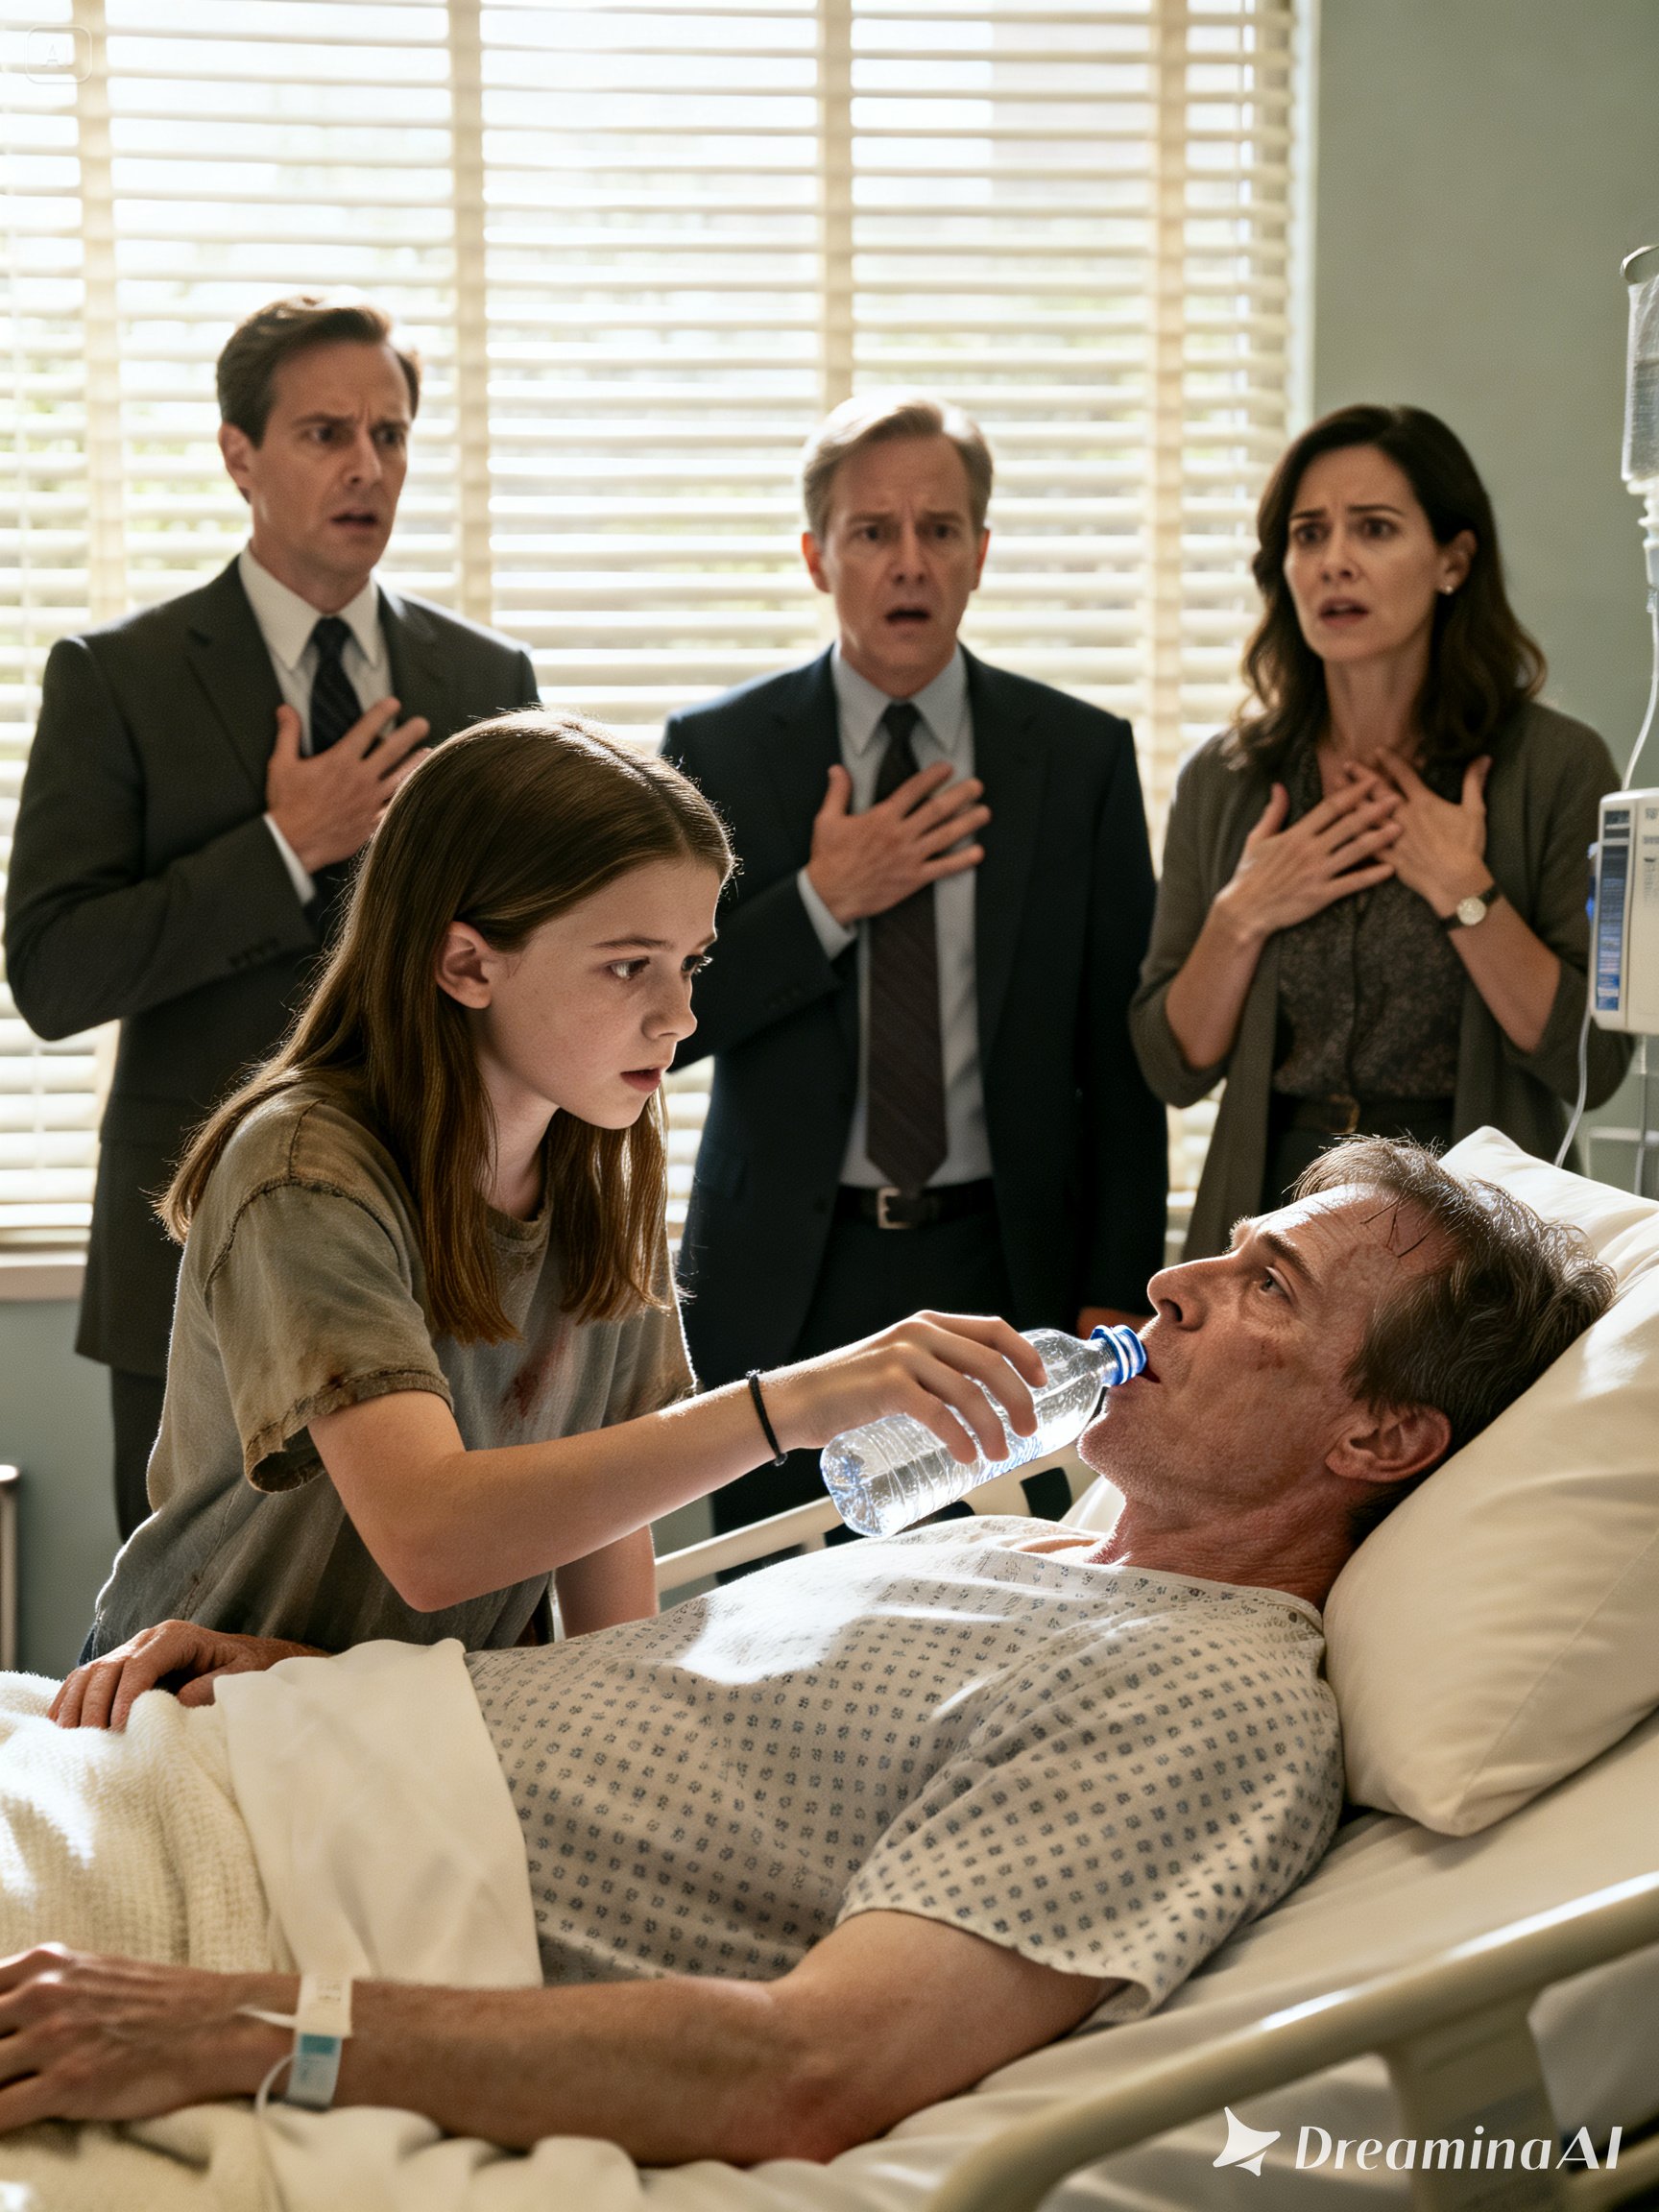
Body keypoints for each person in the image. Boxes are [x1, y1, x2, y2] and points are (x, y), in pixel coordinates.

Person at [1, 1140, 1611, 2159]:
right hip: (210, 1765)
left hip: (262, 1907)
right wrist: (303, 1677)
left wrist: (240, 2028)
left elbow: (813, 2066)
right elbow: (647, 1716)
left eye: (1266, 1281)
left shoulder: (1211, 1697)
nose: (1174, 1284)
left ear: (1381, 1436)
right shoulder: (1013, 1547)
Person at [81, 714, 1051, 1661]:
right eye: (629, 966)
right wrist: (788, 1407)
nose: (679, 1016)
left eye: (691, 963)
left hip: (409, 1711)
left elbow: (605, 1566)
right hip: (194, 1700)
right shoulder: (305, 1172)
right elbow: (428, 1539)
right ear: (467, 964)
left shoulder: (598, 1162)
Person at [4, 295, 541, 1539]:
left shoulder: (486, 680)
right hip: (193, 1255)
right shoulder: (117, 678)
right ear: (238, 454)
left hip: (437, 1248)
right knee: (191, 1632)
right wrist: (283, 849)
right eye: (325, 434)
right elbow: (53, 972)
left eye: (390, 435)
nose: (367, 467)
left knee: (433, 1617)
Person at [662, 391, 1167, 1534]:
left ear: (979, 554)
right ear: (816, 556)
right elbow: (666, 1015)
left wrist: (1114, 1291)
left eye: (939, 530)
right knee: (770, 1605)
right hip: (786, 1277)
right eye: (872, 532)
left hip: (1010, 1270)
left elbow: (1118, 1052)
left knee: (1008, 1592)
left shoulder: (1079, 755)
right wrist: (824, 902)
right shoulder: (719, 749)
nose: (909, 563)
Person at [1131, 403, 1633, 1260]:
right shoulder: (1225, 779)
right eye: (1309, 534)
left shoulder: (1555, 766)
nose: (1335, 561)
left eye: (1374, 528)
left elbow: (1589, 1060)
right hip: (1271, 1203)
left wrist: (1464, 891)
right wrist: (1243, 914)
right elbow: (1171, 1067)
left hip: (1476, 1216)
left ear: (1453, 561)